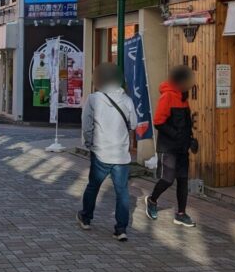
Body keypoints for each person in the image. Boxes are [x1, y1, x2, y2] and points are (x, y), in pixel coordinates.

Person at [77, 64, 138, 242]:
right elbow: (133, 124)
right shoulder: (127, 100)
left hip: (101, 151)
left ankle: (86, 218)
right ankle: (121, 229)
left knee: (93, 186)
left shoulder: (94, 99)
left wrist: (89, 142)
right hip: (121, 154)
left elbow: (86, 125)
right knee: (122, 192)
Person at [145, 65, 198, 228]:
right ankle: (152, 200)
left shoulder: (183, 97)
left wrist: (190, 140)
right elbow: (158, 122)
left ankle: (181, 214)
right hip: (168, 147)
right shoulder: (167, 96)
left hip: (182, 148)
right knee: (167, 179)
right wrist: (177, 135)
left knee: (183, 180)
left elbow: (186, 124)